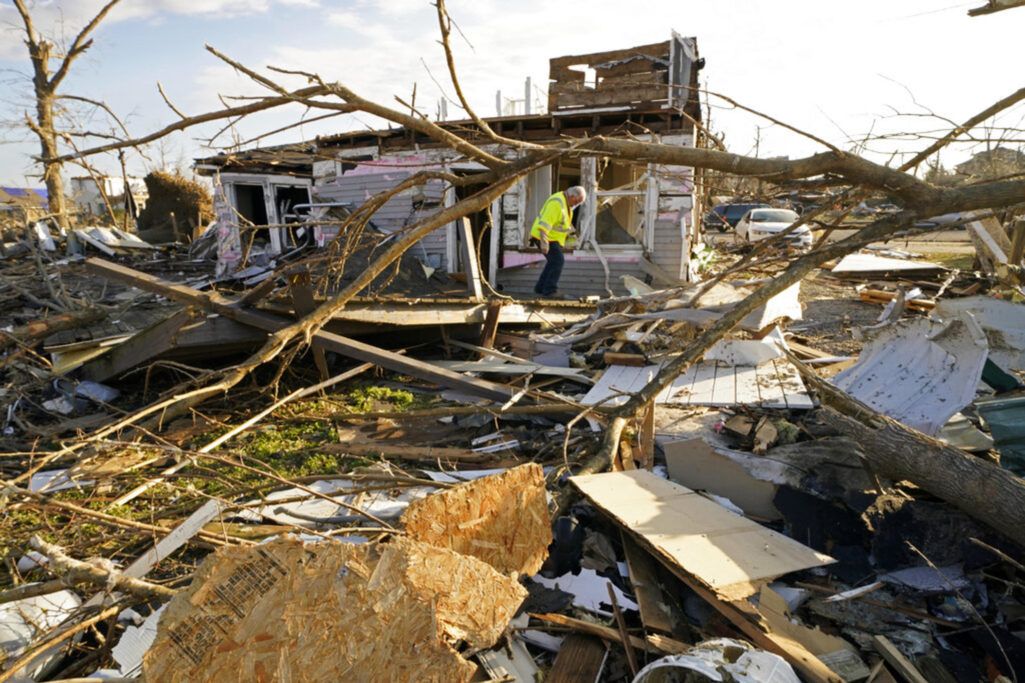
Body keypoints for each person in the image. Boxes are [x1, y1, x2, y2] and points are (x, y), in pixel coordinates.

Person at [529, 185, 586, 297]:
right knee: (558, 261)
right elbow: (545, 224)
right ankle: (549, 291)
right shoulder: (557, 203)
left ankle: (540, 288)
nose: (576, 204)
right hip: (545, 237)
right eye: (576, 201)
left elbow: (563, 224)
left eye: (578, 203)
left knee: (553, 262)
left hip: (552, 238)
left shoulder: (565, 204)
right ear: (571, 196)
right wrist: (544, 244)